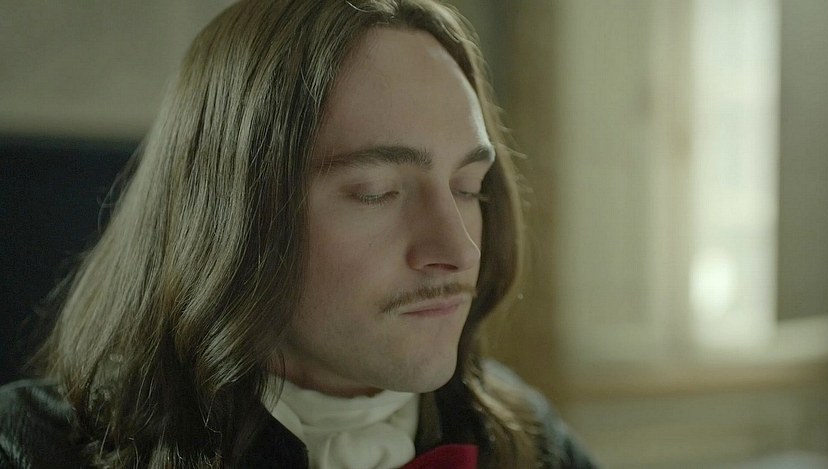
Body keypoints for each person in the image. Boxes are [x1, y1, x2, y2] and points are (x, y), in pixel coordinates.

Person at [0, 0, 597, 467]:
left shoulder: (527, 436)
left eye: (468, 188)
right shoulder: (28, 447)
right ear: (234, 213)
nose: (458, 250)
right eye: (376, 192)